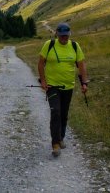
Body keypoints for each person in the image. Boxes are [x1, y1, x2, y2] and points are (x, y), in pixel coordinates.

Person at [37, 22, 88, 157]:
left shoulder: (75, 46)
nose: (64, 38)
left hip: (68, 86)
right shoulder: (49, 45)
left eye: (66, 35)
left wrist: (84, 83)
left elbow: (81, 66)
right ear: (57, 35)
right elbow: (41, 63)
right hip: (52, 86)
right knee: (56, 112)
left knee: (64, 114)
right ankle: (55, 144)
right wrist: (43, 80)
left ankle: (61, 137)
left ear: (69, 34)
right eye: (61, 36)